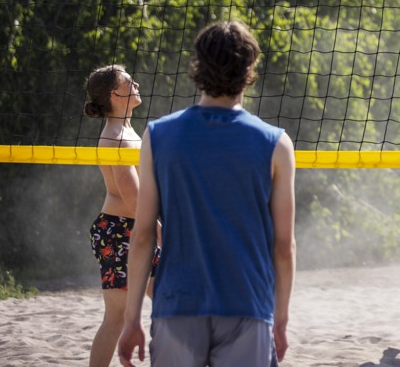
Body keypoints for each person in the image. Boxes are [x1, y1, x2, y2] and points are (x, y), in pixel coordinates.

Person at [117, 21, 297, 366]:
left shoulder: (158, 135)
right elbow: (284, 246)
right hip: (247, 304)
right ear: (249, 70)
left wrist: (131, 319)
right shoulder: (277, 144)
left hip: (177, 304)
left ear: (197, 65)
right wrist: (282, 319)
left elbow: (142, 237)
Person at [83, 65, 158, 367]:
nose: (136, 84)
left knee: (171, 304)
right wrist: (162, 231)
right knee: (117, 317)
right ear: (115, 93)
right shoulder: (115, 137)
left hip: (134, 227)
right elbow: (132, 198)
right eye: (129, 81)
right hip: (119, 231)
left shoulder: (127, 131)